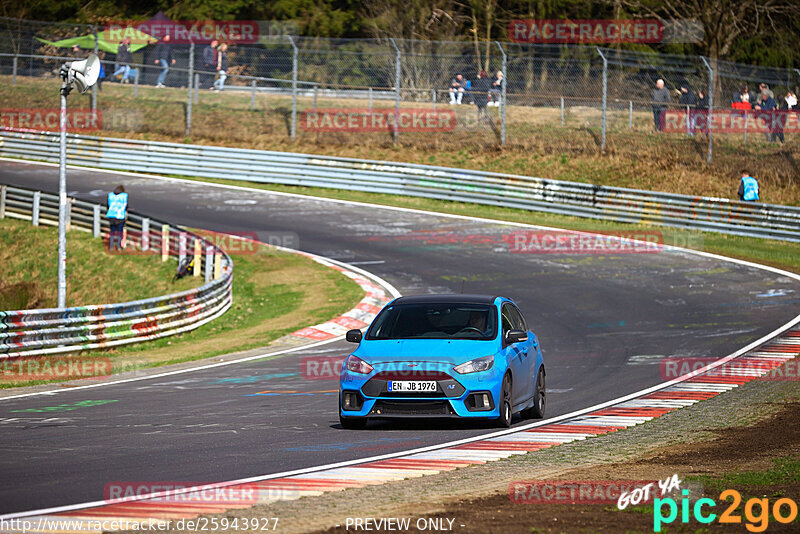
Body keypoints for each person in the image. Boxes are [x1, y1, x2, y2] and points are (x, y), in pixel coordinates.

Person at [106, 185, 128, 251]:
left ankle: (111, 246)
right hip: (120, 217)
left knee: (112, 232)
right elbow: (126, 205)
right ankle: (118, 246)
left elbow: (107, 205)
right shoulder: (124, 196)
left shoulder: (110, 195)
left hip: (111, 216)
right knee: (119, 232)